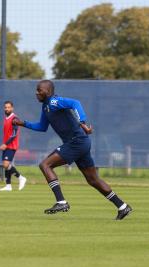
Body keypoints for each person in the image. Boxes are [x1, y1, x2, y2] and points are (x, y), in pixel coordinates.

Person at [13, 80, 132, 219]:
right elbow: (42, 127)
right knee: (93, 180)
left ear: (48, 91)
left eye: (39, 90)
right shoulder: (46, 107)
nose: (36, 92)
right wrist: (23, 123)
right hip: (80, 143)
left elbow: (75, 103)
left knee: (45, 165)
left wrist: (82, 122)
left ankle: (61, 202)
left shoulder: (54, 102)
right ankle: (122, 206)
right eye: (36, 90)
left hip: (76, 142)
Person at [0, 101, 27, 191]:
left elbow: (14, 134)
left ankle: (21, 178)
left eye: (8, 107)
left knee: (6, 165)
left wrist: (5, 144)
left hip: (11, 145)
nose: (7, 109)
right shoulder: (6, 118)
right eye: (5, 107)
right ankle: (8, 186)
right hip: (7, 145)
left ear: (12, 108)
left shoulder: (14, 119)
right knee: (6, 165)